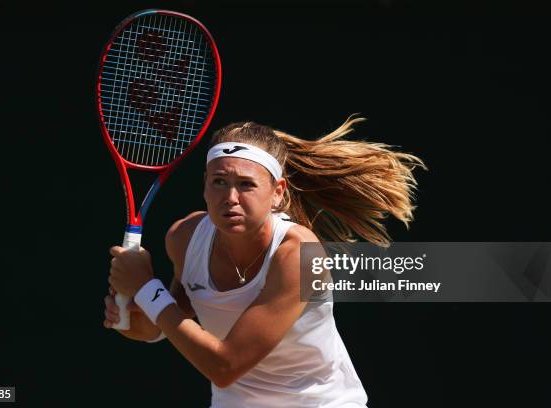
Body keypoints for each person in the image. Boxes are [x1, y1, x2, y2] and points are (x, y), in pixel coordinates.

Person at [104, 116, 425, 407]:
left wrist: (147, 288)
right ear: (204, 185)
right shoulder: (184, 238)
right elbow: (171, 323)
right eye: (219, 182)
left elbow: (224, 365)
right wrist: (134, 315)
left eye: (246, 184)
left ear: (277, 193)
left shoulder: (297, 253)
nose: (230, 197)